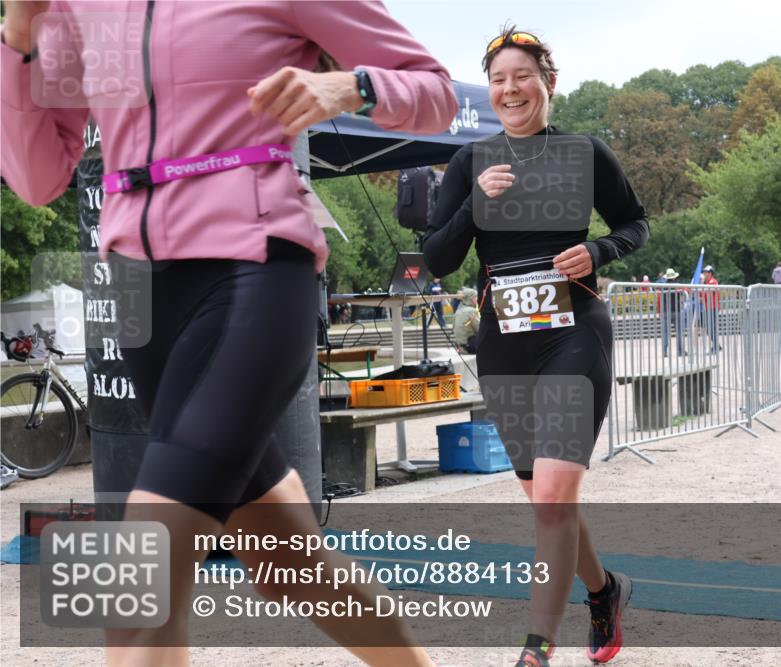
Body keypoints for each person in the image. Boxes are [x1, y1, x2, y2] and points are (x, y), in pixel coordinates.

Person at [0, 2, 457, 665]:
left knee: (134, 585)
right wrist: (17, 36)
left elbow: (436, 93)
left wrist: (352, 86)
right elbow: (39, 178)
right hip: (146, 300)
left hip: (255, 269)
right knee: (290, 563)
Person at [421, 26, 648, 667]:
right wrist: (472, 202)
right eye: (498, 80)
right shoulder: (471, 160)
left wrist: (600, 250)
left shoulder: (585, 152)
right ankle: (605, 592)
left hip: (575, 332)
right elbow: (437, 257)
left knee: (552, 498)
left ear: (548, 82)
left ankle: (535, 650)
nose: (510, 89)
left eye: (522, 76)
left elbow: (636, 220)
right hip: (505, 344)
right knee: (547, 498)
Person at [452, 288, 481, 353]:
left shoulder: (458, 311)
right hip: (470, 346)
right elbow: (480, 329)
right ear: (470, 298)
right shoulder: (471, 311)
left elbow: (453, 327)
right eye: (475, 297)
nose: (477, 299)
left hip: (460, 347)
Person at [700, 265, 721, 353]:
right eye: (704, 272)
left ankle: (716, 346)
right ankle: (717, 345)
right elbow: (701, 295)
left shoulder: (712, 281)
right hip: (709, 307)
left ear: (710, 273)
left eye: (706, 272)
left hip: (713, 307)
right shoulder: (707, 283)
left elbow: (706, 293)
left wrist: (701, 285)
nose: (704, 274)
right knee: (710, 328)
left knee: (711, 328)